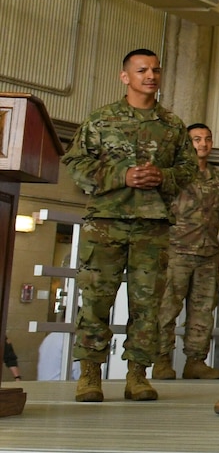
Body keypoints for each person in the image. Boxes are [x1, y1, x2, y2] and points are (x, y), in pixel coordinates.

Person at [61, 48, 196, 403]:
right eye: (141, 70)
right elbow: (74, 161)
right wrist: (122, 175)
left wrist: (162, 176)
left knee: (147, 304)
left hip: (152, 226)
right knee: (95, 300)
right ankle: (89, 375)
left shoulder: (172, 126)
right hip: (105, 222)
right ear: (125, 77)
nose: (150, 76)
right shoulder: (101, 119)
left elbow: (189, 170)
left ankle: (138, 375)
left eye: (155, 70)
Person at [155, 121, 219, 381]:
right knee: (167, 309)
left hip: (208, 252)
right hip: (176, 250)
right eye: (196, 139)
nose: (203, 144)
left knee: (203, 309)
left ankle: (195, 362)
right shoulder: (174, 176)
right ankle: (162, 360)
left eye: (207, 139)